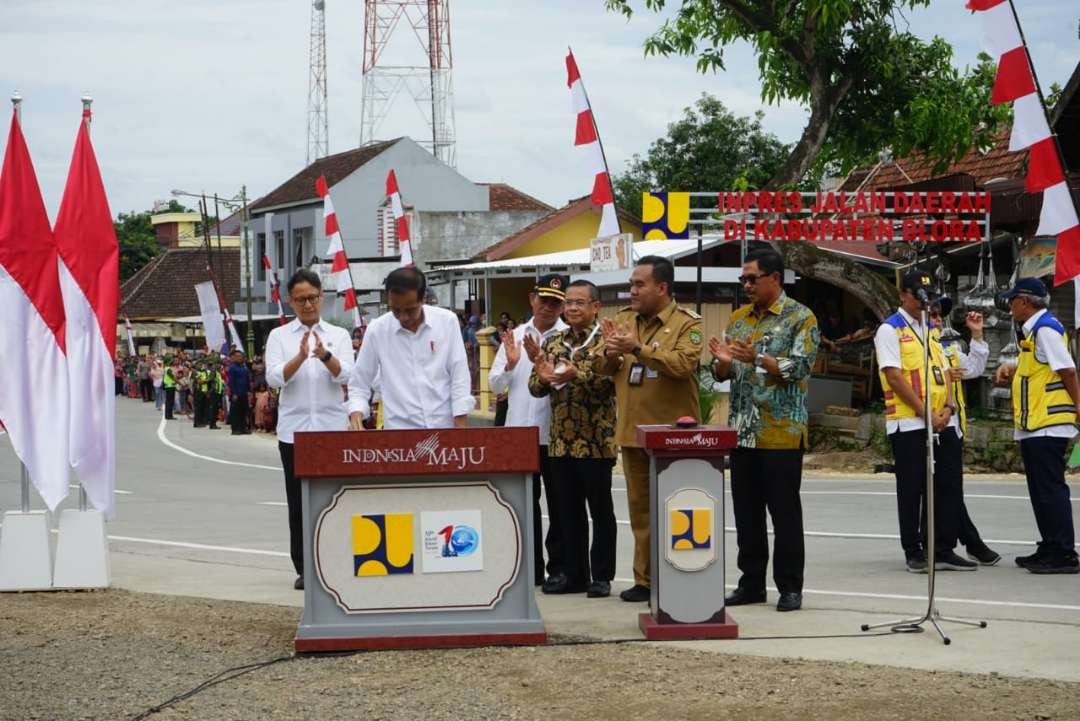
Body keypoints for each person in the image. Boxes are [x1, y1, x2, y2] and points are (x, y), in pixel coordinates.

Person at [709, 248, 818, 612]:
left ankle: (790, 586)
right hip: (742, 432)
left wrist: (756, 358)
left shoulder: (800, 318)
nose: (746, 285)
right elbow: (722, 371)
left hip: (781, 433)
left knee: (784, 514)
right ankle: (750, 583)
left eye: (751, 278)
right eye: (742, 279)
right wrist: (723, 364)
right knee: (746, 514)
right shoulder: (739, 318)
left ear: (775, 277)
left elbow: (800, 367)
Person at [595, 255, 702, 603]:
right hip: (632, 431)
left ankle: (681, 573)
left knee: (678, 508)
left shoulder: (687, 323)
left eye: (639, 284)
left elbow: (682, 365)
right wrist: (611, 353)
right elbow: (600, 365)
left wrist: (637, 349)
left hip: (676, 436)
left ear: (662, 287)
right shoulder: (623, 320)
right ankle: (644, 580)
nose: (632, 291)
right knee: (640, 511)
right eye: (631, 284)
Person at [873, 270, 972, 574]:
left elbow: (945, 374)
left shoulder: (932, 330)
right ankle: (913, 550)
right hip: (910, 422)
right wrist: (927, 414)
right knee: (912, 487)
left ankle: (942, 547)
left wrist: (949, 410)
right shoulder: (890, 329)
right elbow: (894, 376)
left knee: (948, 485)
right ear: (903, 295)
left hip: (942, 421)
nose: (924, 302)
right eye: (919, 296)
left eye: (927, 297)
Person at [265, 268, 354, 590]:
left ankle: (336, 561)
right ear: (290, 301)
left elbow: (347, 375)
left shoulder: (338, 335)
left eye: (312, 298)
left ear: (322, 298)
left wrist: (323, 354)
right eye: (300, 299)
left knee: (335, 498)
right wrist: (301, 357)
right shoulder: (280, 337)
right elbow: (273, 378)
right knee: (299, 501)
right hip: (295, 432)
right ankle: (304, 566)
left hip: (331, 429)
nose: (307, 305)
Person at [528, 279, 617, 598]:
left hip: (596, 441)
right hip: (561, 442)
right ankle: (574, 573)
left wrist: (574, 375)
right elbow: (535, 388)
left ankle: (603, 575)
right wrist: (541, 376)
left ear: (596, 306)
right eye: (569, 303)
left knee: (601, 511)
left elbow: (607, 385)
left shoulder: (606, 340)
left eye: (580, 302)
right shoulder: (554, 342)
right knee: (567, 512)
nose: (572, 308)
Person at [489, 275, 570, 588]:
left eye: (556, 302)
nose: (548, 307)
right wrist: (510, 364)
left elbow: (565, 380)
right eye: (544, 300)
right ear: (532, 299)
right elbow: (495, 384)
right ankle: (530, 569)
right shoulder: (516, 336)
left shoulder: (568, 337)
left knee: (560, 504)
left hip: (555, 434)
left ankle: (559, 568)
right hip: (520, 433)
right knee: (524, 505)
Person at [995, 278, 1080, 574]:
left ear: (1025, 302)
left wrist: (1079, 407)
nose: (1010, 305)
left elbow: (1067, 369)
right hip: (1035, 424)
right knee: (1040, 490)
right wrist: (1012, 368)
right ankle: (1050, 546)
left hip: (1049, 424)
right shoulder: (1034, 332)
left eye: (1012, 299)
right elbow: (1041, 366)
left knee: (1050, 489)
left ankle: (1063, 553)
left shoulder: (1045, 329)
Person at [348, 266, 474, 430]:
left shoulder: (447, 322)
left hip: (443, 427)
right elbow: (359, 383)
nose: (403, 317)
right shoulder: (377, 330)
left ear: (423, 299)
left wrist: (460, 422)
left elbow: (459, 375)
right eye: (395, 310)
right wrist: (356, 414)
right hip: (400, 434)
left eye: (410, 310)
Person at [931, 299, 1000, 565]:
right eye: (934, 316)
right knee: (947, 490)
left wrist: (977, 334)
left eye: (940, 317)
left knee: (951, 490)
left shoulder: (947, 349)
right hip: (933, 424)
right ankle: (966, 543)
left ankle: (970, 542)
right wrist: (946, 377)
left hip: (952, 426)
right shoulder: (916, 347)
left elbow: (976, 367)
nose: (938, 321)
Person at [227, 349, 252, 435]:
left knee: (243, 411)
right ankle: (235, 429)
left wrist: (248, 390)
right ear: (234, 358)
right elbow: (231, 382)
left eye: (240, 356)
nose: (239, 358)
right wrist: (234, 393)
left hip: (244, 393)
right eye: (237, 356)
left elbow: (247, 380)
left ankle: (243, 428)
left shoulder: (244, 367)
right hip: (236, 393)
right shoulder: (232, 368)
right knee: (235, 412)